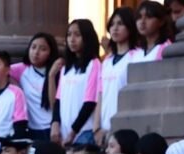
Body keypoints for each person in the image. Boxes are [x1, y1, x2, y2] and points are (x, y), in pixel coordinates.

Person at [95, 7, 140, 144]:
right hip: (103, 130)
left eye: (120, 24)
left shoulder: (137, 56)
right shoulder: (107, 61)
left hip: (124, 127)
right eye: (112, 24)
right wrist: (96, 128)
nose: (115, 28)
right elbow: (101, 95)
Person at [53, 19, 101, 146]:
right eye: (69, 35)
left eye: (77, 35)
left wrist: (74, 131)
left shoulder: (94, 65)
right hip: (64, 133)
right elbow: (58, 100)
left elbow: (90, 102)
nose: (72, 39)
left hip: (84, 131)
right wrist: (55, 123)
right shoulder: (66, 68)